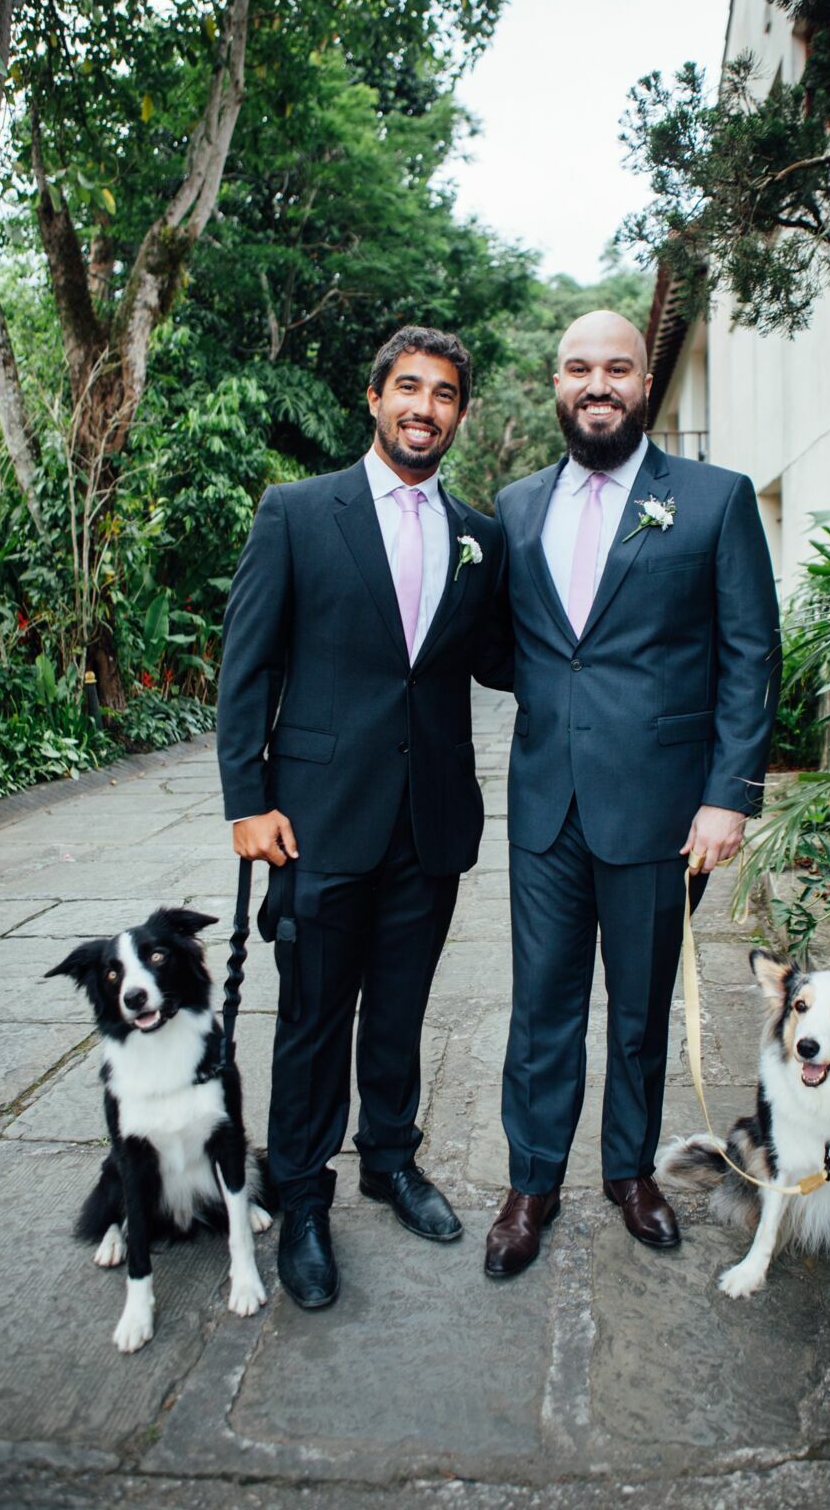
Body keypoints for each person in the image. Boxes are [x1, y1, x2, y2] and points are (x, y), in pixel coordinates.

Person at [216, 325, 511, 1310]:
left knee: (398, 1010)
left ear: (458, 414)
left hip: (430, 820)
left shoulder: (480, 536)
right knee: (311, 1021)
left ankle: (389, 1159)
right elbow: (247, 664)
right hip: (318, 819)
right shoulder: (297, 513)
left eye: (444, 394)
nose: (425, 408)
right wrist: (246, 801)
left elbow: (500, 658)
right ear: (375, 396)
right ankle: (302, 1195)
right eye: (409, 388)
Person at [485, 310, 780, 1277]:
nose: (597, 384)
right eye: (578, 368)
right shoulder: (516, 506)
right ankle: (531, 1184)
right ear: (556, 384)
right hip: (546, 805)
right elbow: (506, 645)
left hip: (662, 811)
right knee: (541, 1008)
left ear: (645, 384)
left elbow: (750, 653)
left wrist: (728, 796)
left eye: (616, 368)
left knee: (642, 1009)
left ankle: (627, 1174)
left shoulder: (712, 498)